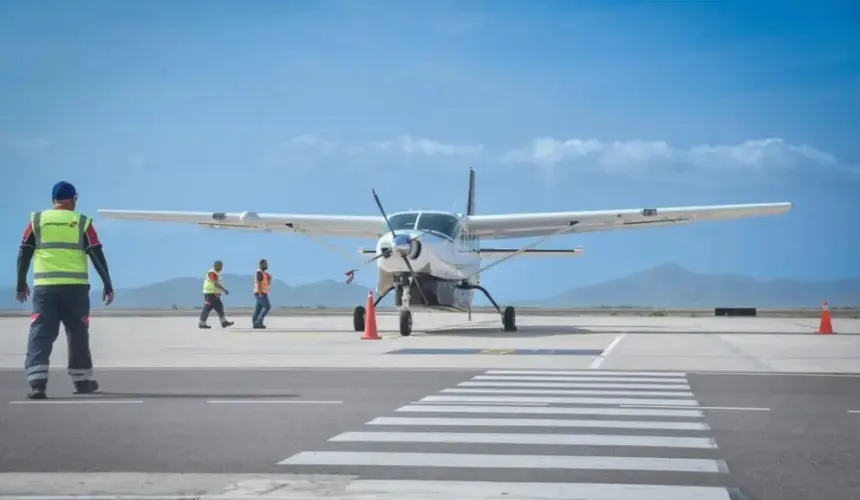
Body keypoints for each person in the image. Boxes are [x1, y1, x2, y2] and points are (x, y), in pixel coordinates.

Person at [16, 181, 114, 400]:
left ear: (53, 200)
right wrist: (107, 283)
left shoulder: (37, 221)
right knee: (77, 333)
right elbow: (96, 253)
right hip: (75, 290)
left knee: (40, 333)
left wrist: (21, 281)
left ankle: (37, 384)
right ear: (74, 199)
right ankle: (81, 381)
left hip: (45, 289)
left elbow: (24, 251)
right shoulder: (82, 222)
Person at [199, 260, 234, 328]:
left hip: (214, 294)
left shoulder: (217, 273)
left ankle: (223, 322)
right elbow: (215, 283)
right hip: (209, 294)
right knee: (207, 308)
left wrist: (218, 292)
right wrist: (224, 290)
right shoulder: (212, 273)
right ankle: (202, 323)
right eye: (220, 266)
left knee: (219, 307)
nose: (222, 267)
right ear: (216, 266)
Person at [252, 259, 271, 328]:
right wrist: (260, 293)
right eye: (265, 264)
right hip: (260, 293)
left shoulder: (264, 273)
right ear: (261, 264)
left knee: (258, 309)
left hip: (263, 293)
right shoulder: (259, 272)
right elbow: (259, 283)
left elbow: (267, 284)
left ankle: (256, 324)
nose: (267, 265)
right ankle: (258, 322)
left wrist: (269, 279)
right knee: (267, 307)